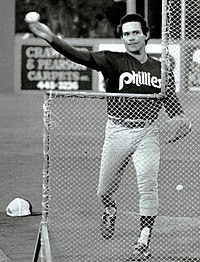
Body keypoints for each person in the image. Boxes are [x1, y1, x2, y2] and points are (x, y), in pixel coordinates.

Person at [27, 13, 191, 261]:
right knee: (103, 190)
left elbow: (175, 110)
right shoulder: (112, 61)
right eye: (126, 34)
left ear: (146, 35)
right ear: (122, 38)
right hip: (117, 132)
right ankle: (110, 207)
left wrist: (180, 121)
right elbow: (79, 56)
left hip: (147, 132)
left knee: (148, 187)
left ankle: (143, 240)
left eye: (136, 32)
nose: (131, 37)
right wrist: (51, 38)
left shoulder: (161, 70)